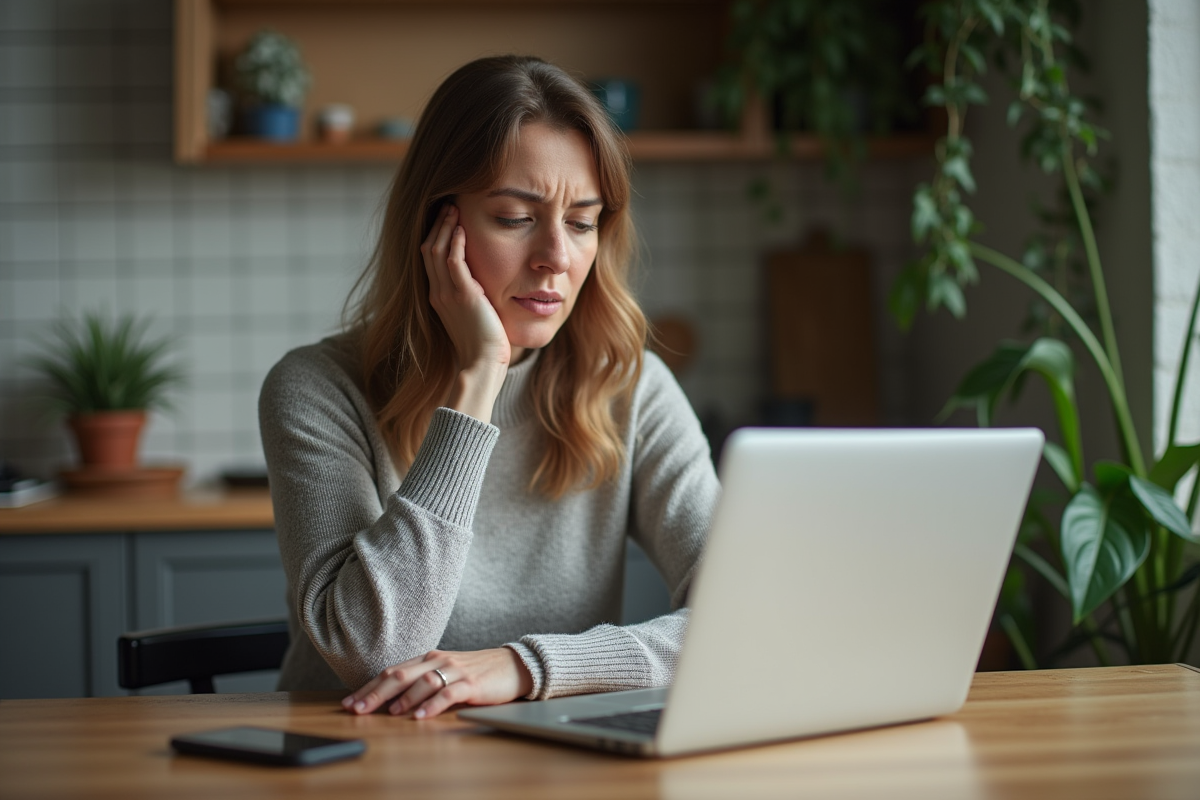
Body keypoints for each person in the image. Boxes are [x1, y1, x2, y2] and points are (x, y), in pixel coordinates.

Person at [259, 55, 719, 720]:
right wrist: (479, 379)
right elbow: (370, 652)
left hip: (551, 758)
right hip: (356, 762)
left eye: (583, 222)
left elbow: (740, 619)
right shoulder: (315, 390)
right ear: (436, 229)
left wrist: (527, 668)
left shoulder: (631, 388)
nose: (557, 257)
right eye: (514, 216)